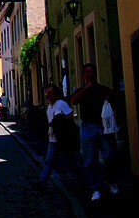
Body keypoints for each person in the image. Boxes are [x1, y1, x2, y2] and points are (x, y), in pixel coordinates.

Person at [71, 63, 117, 201]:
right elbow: (73, 100)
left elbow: (114, 100)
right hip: (87, 126)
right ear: (84, 75)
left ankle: (110, 182)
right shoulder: (82, 90)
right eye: (87, 72)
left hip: (103, 127)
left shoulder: (103, 89)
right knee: (90, 160)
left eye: (91, 72)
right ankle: (95, 188)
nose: (89, 74)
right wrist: (85, 88)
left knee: (109, 156)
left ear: (95, 74)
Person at [39, 84, 81, 186]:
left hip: (63, 138)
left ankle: (82, 180)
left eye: (51, 93)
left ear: (56, 93)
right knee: (49, 160)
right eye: (47, 93)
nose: (48, 95)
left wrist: (58, 121)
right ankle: (42, 181)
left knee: (72, 161)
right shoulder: (49, 107)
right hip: (53, 138)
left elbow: (70, 116)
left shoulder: (61, 104)